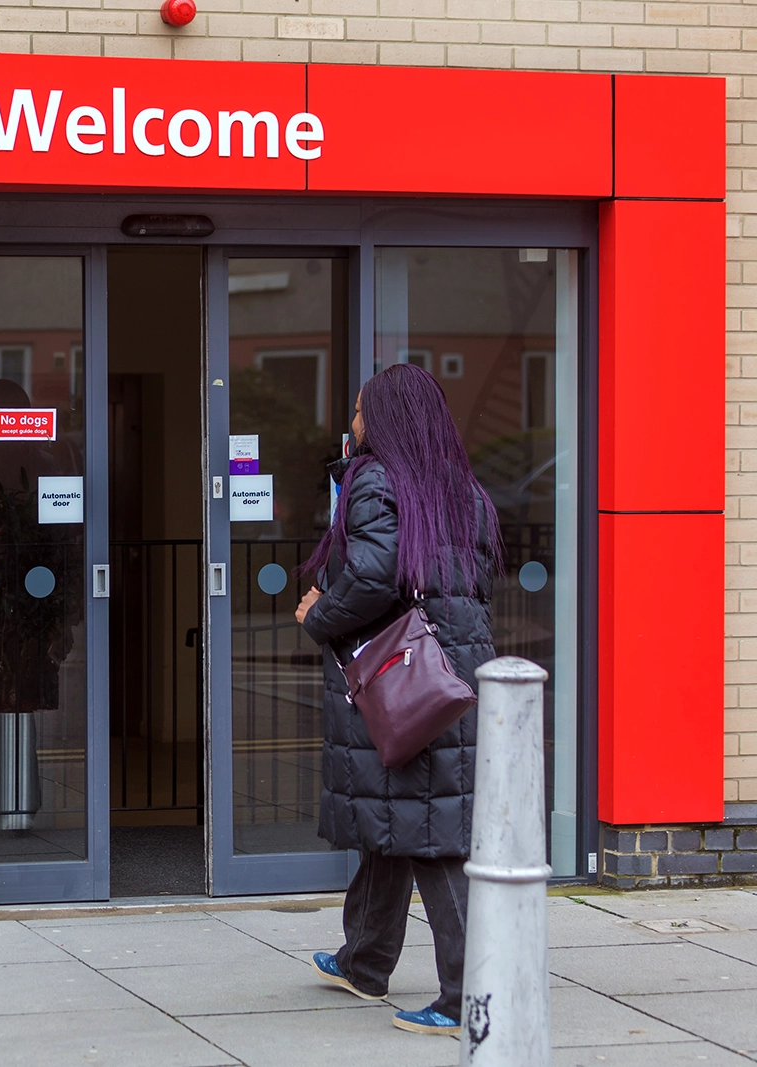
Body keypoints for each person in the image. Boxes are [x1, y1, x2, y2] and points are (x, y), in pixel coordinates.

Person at [293, 363, 502, 1036]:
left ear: (381, 421)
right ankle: (365, 960)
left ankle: (467, 995)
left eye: (358, 413)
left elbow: (376, 573)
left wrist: (320, 613)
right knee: (400, 818)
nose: (351, 425)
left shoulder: (377, 477)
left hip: (406, 675)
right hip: (451, 667)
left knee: (435, 840)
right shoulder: (458, 486)